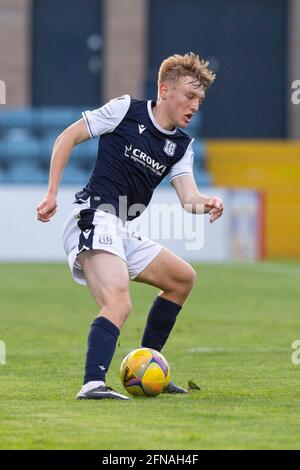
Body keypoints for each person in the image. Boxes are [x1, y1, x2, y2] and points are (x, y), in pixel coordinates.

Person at [37, 52, 224, 400]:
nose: (195, 105)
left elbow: (188, 198)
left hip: (120, 228)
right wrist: (51, 193)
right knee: (119, 302)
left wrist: (207, 204)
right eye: (189, 96)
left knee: (182, 279)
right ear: (164, 90)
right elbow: (68, 137)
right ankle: (92, 383)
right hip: (92, 215)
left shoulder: (181, 147)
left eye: (200, 99)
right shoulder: (126, 110)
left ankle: (147, 364)